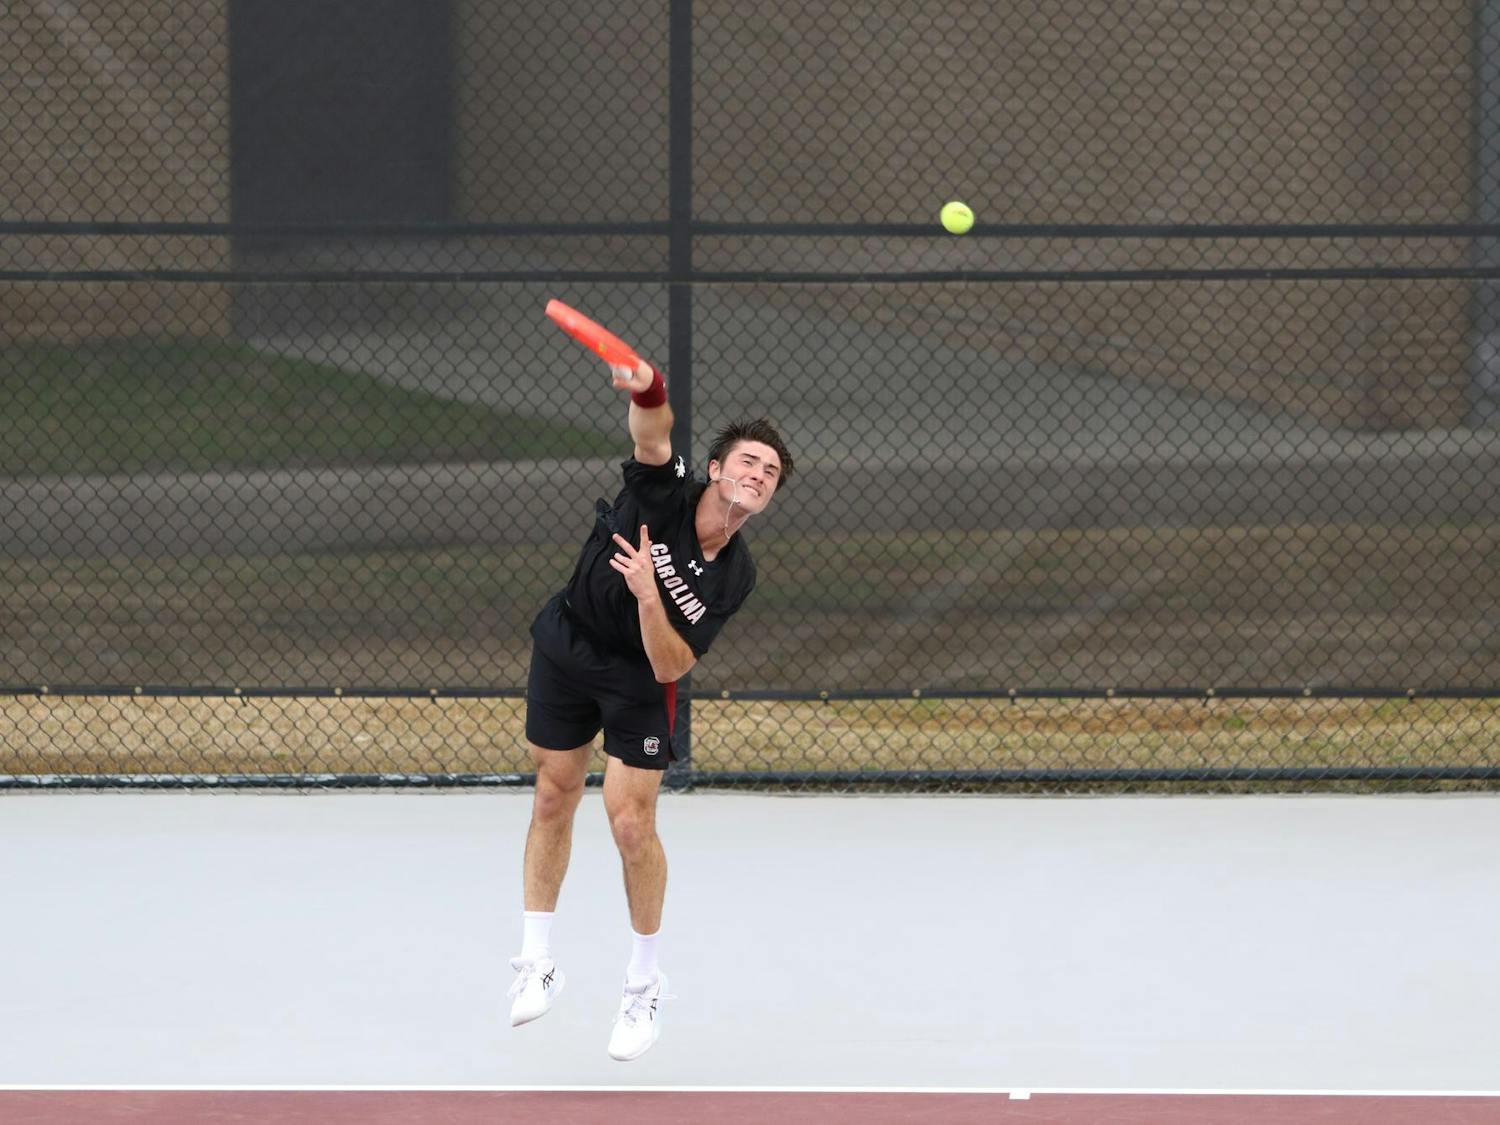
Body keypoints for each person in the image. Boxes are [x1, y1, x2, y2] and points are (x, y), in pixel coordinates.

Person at [508, 354, 793, 1061]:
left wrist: (647, 596)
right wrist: (649, 387)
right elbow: (652, 434)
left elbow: (673, 663)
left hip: (641, 673)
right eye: (748, 462)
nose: (756, 475)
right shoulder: (665, 492)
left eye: (770, 474)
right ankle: (536, 960)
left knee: (632, 822)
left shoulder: (736, 573)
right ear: (718, 468)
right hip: (569, 642)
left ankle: (642, 984)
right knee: (553, 795)